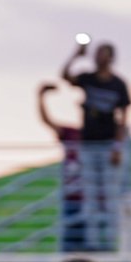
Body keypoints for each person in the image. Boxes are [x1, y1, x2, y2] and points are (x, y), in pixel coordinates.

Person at [62, 41, 131, 250]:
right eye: (98, 53)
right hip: (88, 144)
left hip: (108, 145)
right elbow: (65, 75)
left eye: (104, 53)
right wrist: (75, 54)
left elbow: (124, 116)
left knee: (110, 196)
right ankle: (92, 243)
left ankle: (110, 243)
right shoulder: (88, 78)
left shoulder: (118, 84)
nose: (100, 57)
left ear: (111, 57)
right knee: (90, 196)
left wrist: (118, 147)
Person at [38, 83, 86, 252]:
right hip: (71, 196)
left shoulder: (100, 137)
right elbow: (47, 120)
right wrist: (41, 97)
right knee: (69, 243)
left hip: (91, 198)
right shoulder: (71, 133)